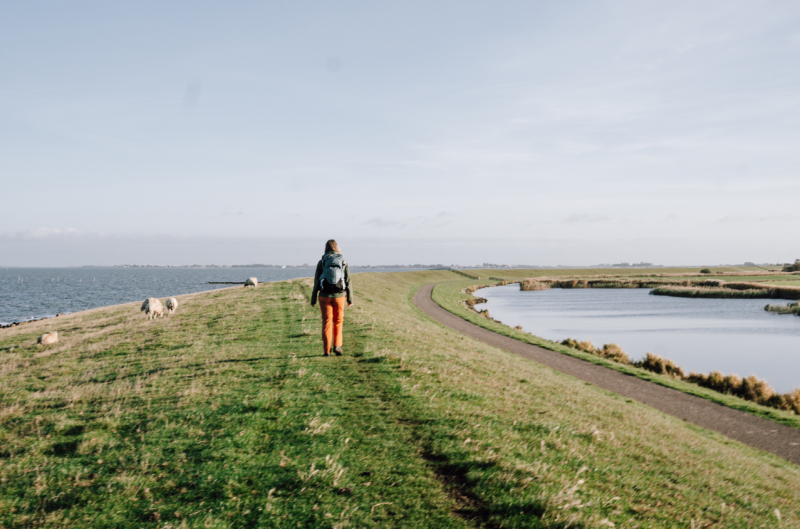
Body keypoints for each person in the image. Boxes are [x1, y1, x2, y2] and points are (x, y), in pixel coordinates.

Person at [310, 239, 353, 356]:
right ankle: (337, 345)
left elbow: (316, 282)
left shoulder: (322, 262)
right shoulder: (343, 261)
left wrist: (313, 298)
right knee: (338, 321)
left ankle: (326, 351)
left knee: (327, 322)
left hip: (324, 296)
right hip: (339, 296)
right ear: (337, 247)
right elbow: (348, 281)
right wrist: (350, 299)